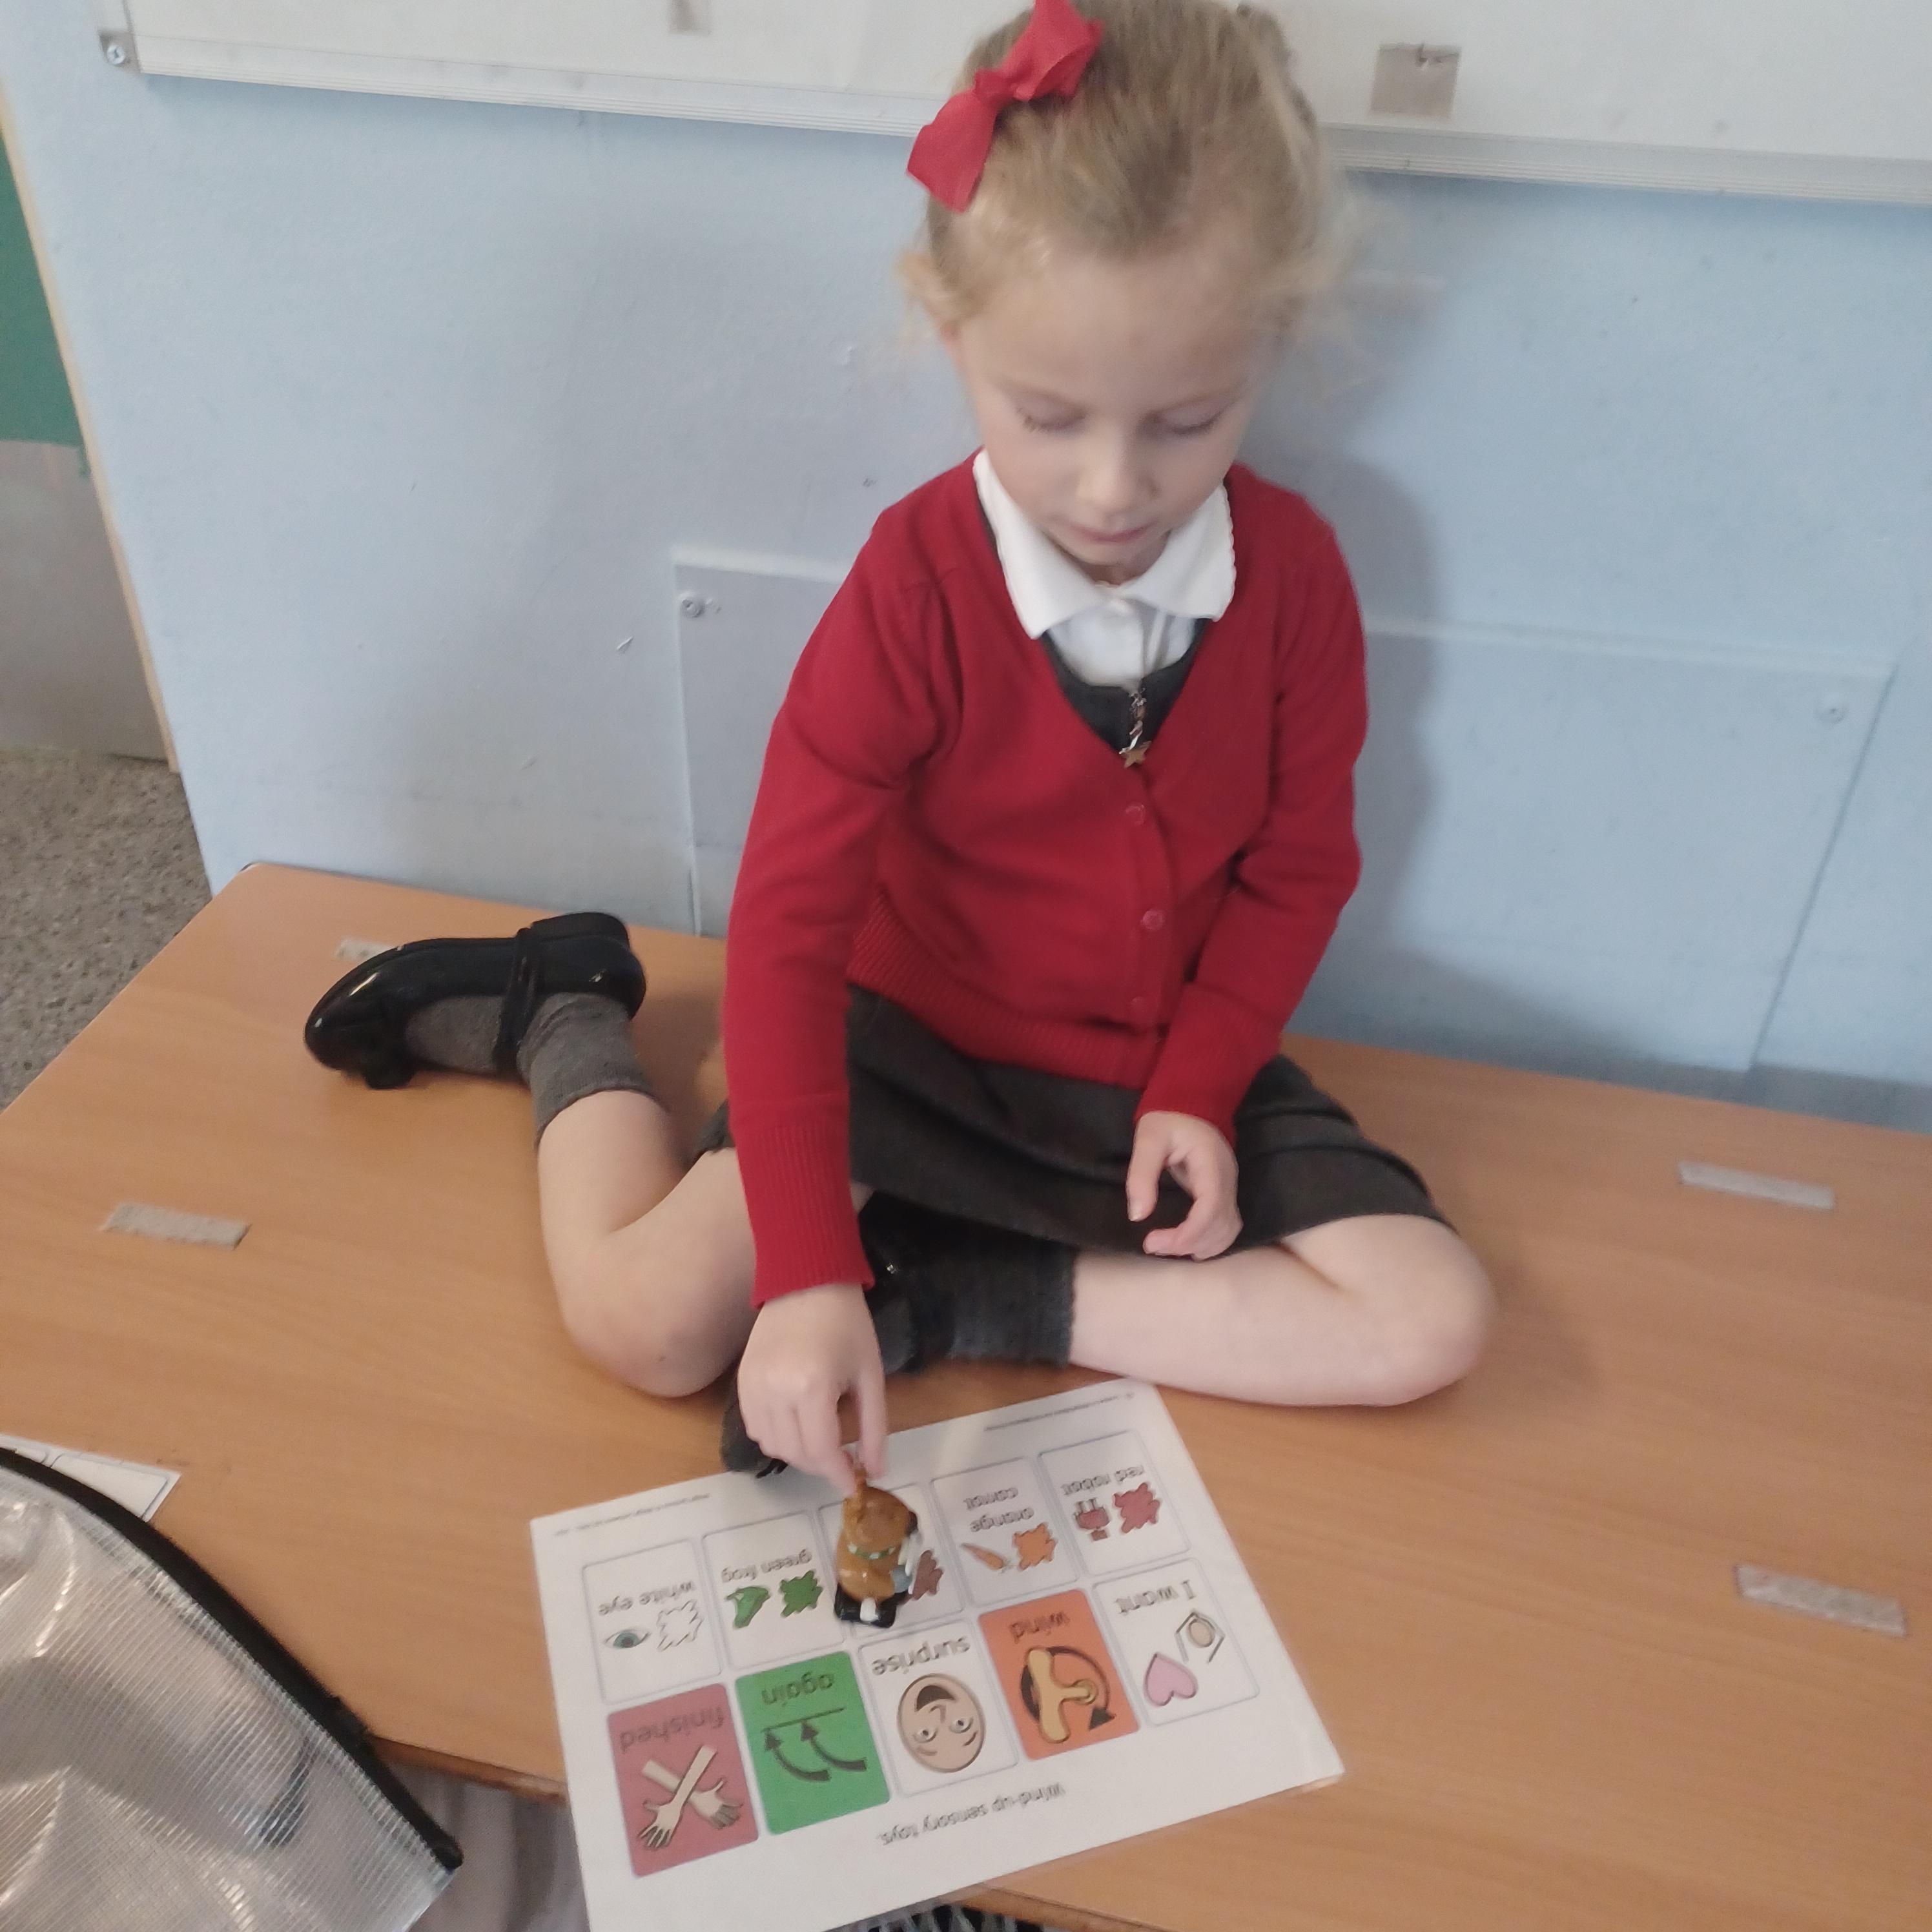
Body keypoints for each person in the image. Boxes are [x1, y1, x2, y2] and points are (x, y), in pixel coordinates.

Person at [306, 0, 1492, 1501]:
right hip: (909, 1056)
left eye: (1186, 421)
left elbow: (1297, 869)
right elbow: (790, 932)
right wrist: (807, 1270)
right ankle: (562, 1010)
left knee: (1430, 1316)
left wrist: (1198, 1082)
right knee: (648, 1321)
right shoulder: (913, 590)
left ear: (1267, 351)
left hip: (1158, 1067)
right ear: (952, 336)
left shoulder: (1299, 575)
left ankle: (959, 1291)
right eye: (1046, 415)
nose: (1112, 489)